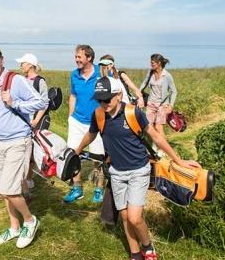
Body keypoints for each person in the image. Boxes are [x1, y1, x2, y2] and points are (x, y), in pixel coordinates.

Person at [74, 76, 199, 260]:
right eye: (99, 100)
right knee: (125, 216)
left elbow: (156, 137)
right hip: (116, 173)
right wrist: (77, 151)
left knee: (134, 217)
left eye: (107, 99)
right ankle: (135, 253)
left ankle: (147, 247)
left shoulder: (133, 113)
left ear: (118, 95)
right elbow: (91, 135)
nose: (103, 103)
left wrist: (178, 160)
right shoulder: (99, 115)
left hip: (138, 170)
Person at [0, 45, 47, 249]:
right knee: (2, 189)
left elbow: (41, 102)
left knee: (9, 188)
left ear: (2, 59)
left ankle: (30, 221)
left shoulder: (16, 80)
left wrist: (15, 103)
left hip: (17, 141)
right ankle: (14, 227)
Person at [64, 44, 104, 204]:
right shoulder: (74, 74)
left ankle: (99, 189)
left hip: (97, 122)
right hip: (77, 121)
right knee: (74, 155)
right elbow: (73, 96)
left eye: (79, 57)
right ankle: (77, 188)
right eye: (75, 57)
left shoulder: (101, 73)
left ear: (89, 57)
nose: (76, 60)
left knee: (98, 158)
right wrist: (70, 116)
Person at [15, 53, 50, 197]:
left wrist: (36, 120)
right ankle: (25, 179)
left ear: (30, 65)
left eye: (22, 63)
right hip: (23, 121)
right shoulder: (22, 80)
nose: (20, 66)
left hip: (35, 121)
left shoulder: (40, 81)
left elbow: (44, 103)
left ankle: (28, 179)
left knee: (31, 152)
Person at [139, 54, 177, 143]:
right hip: (151, 103)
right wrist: (139, 94)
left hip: (162, 105)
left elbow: (174, 91)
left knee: (158, 127)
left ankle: (163, 147)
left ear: (159, 63)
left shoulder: (167, 76)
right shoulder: (150, 72)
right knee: (148, 126)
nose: (151, 64)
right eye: (151, 62)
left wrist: (170, 106)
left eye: (153, 63)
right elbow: (144, 83)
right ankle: (155, 144)